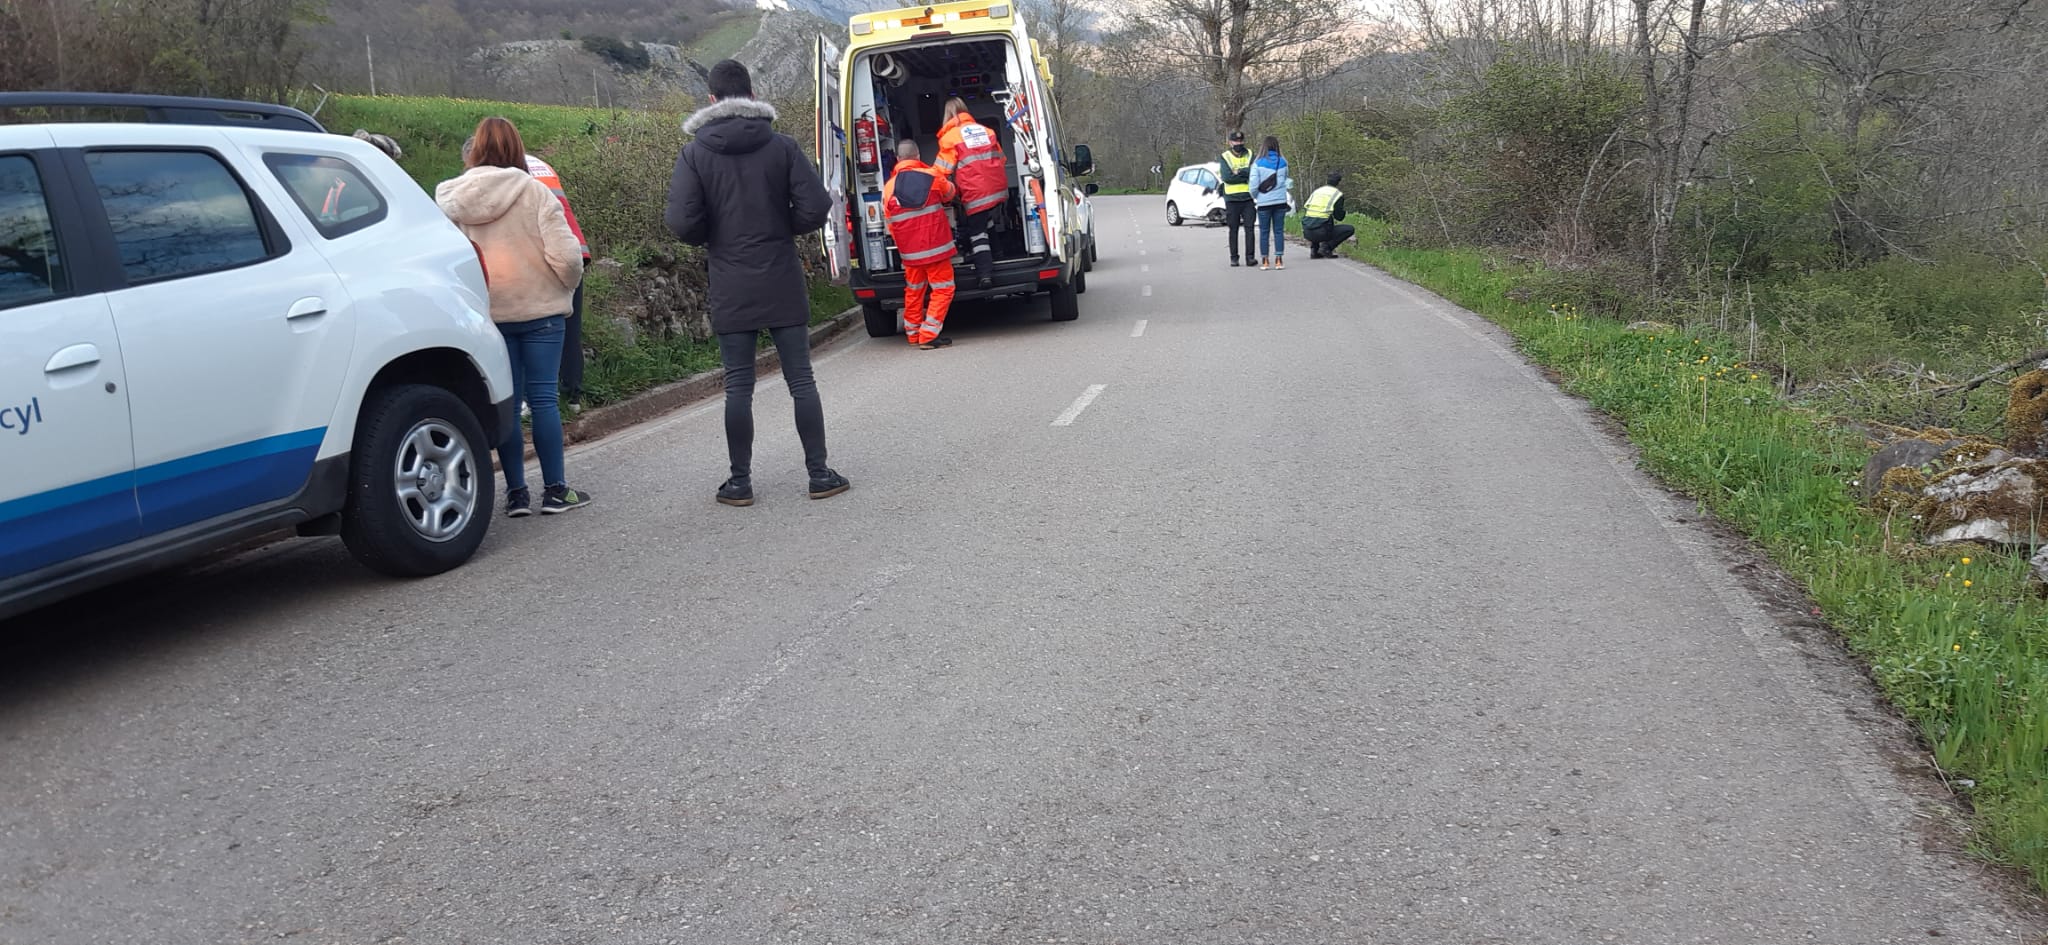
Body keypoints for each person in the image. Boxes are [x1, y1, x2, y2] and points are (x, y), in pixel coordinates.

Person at [664, 59, 851, 508]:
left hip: (731, 281)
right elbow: (816, 205)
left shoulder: (694, 154)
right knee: (801, 381)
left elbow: (681, 221)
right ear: (751, 95)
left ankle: (740, 482)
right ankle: (819, 474)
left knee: (738, 386)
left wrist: (715, 236)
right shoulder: (781, 146)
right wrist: (782, 226)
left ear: (712, 100)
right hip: (781, 275)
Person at [436, 117, 594, 517]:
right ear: (516, 150)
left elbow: (445, 264)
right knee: (543, 400)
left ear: (474, 151)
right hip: (541, 311)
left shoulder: (450, 200)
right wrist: (563, 288)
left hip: (489, 316)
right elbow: (568, 256)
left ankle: (516, 494)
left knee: (507, 401)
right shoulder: (537, 194)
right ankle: (556, 491)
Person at [523, 153, 592, 414]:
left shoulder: (508, 171)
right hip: (574, 250)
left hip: (549, 253)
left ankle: (533, 399)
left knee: (534, 329)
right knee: (570, 328)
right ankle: (573, 396)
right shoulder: (540, 166)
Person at [884, 139, 959, 349]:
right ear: (917, 156)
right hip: (936, 248)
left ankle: (913, 332)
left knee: (914, 290)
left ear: (898, 159)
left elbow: (889, 221)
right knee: (943, 289)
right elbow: (950, 193)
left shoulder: (889, 187)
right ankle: (929, 334)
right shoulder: (932, 175)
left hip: (910, 253)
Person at [933, 97, 1007, 290]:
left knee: (977, 231)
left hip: (976, 192)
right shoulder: (987, 131)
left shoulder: (950, 138)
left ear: (947, 115)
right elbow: (1002, 158)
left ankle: (985, 274)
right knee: (986, 219)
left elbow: (941, 172)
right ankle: (998, 254)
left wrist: (943, 190)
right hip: (997, 188)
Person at [1249, 135, 1291, 270]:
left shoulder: (1257, 163)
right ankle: (1279, 260)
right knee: (1278, 231)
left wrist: (1257, 196)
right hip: (1280, 201)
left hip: (1264, 202)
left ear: (1264, 147)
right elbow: (1284, 179)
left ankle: (1265, 260)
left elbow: (1253, 186)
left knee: (1264, 232)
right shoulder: (1283, 162)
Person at [1215, 131, 1256, 268]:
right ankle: (1234, 258)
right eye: (1236, 141)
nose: (1239, 144)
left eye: (1240, 141)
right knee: (1233, 229)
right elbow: (1227, 178)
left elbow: (1254, 172)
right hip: (1232, 199)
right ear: (1230, 142)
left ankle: (1250, 258)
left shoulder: (1250, 154)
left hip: (1248, 198)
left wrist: (1238, 172)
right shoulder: (1225, 157)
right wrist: (1245, 173)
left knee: (1249, 229)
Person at [1302, 172, 1356, 259]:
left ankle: (1314, 250)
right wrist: (1343, 211)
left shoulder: (1317, 191)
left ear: (1326, 181)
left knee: (1317, 220)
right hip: (1321, 232)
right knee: (1349, 229)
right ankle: (1326, 248)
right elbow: (1339, 217)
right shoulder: (1337, 194)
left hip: (1306, 231)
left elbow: (1306, 208)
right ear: (1338, 183)